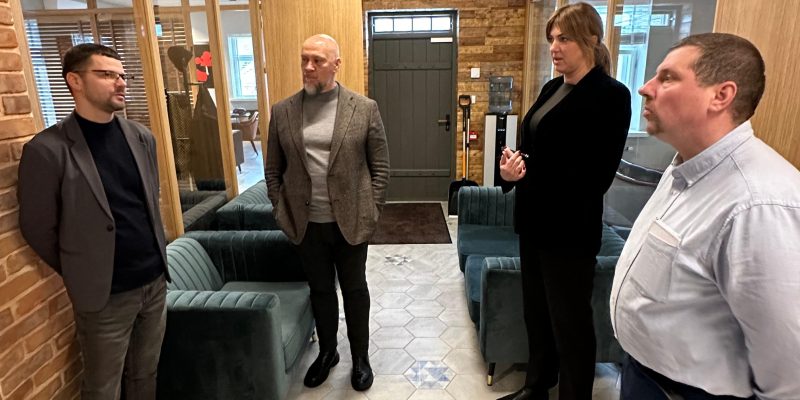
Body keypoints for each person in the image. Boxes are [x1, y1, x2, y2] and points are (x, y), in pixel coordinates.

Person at [611, 32, 800, 400]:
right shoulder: (685, 168)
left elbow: (789, 370)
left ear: (721, 95)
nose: (645, 88)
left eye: (667, 78)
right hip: (644, 376)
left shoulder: (759, 204)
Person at [17, 43, 169, 400]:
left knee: (145, 374)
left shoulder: (141, 137)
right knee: (102, 388)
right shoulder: (47, 150)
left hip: (154, 282)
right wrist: (83, 266)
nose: (121, 83)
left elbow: (150, 201)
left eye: (122, 75)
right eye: (106, 74)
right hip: (105, 296)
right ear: (75, 81)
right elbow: (38, 228)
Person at [498, 3, 631, 400]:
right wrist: (511, 170)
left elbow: (596, 176)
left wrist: (534, 173)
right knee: (536, 314)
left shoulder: (611, 96)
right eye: (552, 39)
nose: (554, 47)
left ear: (591, 40)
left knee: (570, 325)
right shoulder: (551, 88)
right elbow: (533, 147)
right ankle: (537, 386)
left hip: (570, 232)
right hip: (533, 224)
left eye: (564, 39)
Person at [264, 34, 389, 392]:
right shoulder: (283, 111)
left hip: (351, 221)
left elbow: (380, 168)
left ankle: (360, 358)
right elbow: (273, 171)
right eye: (304, 59)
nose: (308, 67)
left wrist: (371, 211)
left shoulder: (363, 108)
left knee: (355, 290)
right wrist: (282, 212)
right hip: (306, 224)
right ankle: (328, 352)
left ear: (336, 64)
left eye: (317, 60)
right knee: (320, 290)